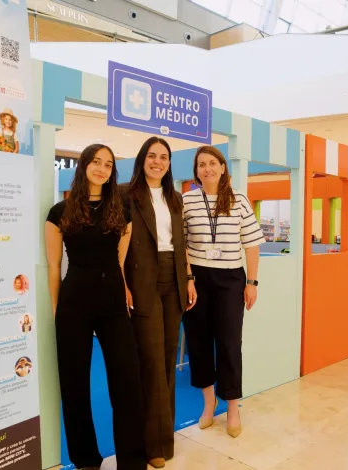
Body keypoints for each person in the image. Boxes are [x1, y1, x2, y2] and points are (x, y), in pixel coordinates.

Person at [45, 144, 146, 470]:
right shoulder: (59, 212)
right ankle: (86, 460)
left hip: (113, 304)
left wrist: (124, 289)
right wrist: (55, 308)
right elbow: (53, 266)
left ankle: (132, 461)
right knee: (74, 386)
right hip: (74, 303)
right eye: (96, 162)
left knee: (127, 383)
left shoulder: (122, 211)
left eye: (108, 164)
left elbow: (118, 262)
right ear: (84, 165)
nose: (102, 169)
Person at [121, 137, 196, 468]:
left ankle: (165, 440)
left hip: (174, 279)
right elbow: (118, 244)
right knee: (150, 363)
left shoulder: (175, 197)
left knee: (167, 362)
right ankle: (151, 443)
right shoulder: (125, 193)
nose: (158, 162)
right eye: (152, 156)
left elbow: (181, 244)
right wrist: (123, 285)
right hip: (142, 280)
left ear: (169, 163)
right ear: (142, 160)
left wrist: (190, 279)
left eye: (164, 157)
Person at [182, 145, 264, 439]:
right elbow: (182, 245)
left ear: (222, 167)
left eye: (212, 163)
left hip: (231, 279)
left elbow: (251, 244)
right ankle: (208, 402)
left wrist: (251, 283)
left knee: (230, 344)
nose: (207, 169)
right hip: (197, 279)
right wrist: (189, 278)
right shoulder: (187, 201)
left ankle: (232, 407)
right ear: (196, 171)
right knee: (199, 342)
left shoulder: (238, 199)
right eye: (201, 164)